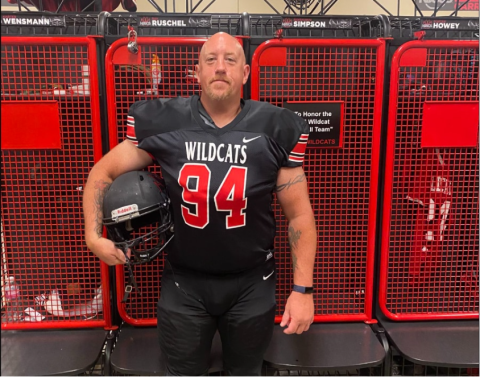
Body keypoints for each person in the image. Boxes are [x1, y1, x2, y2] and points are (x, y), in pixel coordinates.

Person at [83, 32, 317, 376]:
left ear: (246, 73)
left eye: (230, 60)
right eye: (211, 60)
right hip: (184, 283)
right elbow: (102, 172)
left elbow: (298, 215)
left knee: (247, 371)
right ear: (196, 72)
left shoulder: (275, 127)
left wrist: (303, 290)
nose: (220, 68)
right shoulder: (166, 121)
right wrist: (93, 235)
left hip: (252, 282)